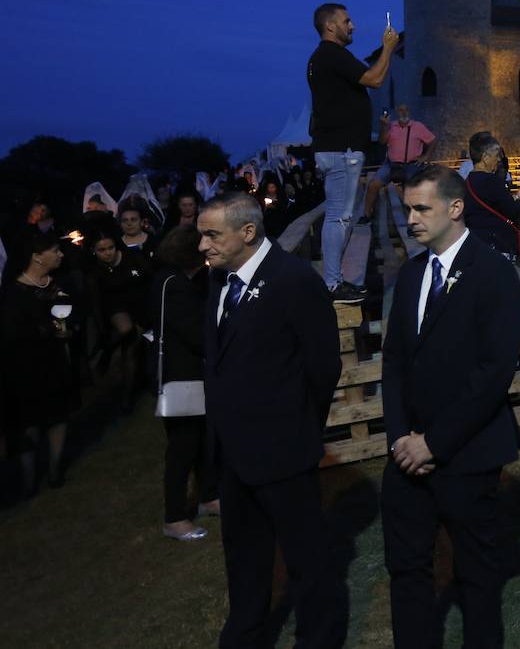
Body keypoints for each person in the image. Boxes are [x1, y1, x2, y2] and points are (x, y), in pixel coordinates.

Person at [381, 165, 520, 649]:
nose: (411, 219)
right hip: (405, 454)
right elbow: (395, 361)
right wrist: (399, 438)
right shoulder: (411, 273)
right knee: (406, 569)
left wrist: (434, 444)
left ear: (456, 207)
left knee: (477, 575)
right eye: (408, 209)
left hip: (468, 453)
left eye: (422, 208)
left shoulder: (493, 271)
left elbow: (494, 372)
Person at [198, 192, 345, 647]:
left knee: (306, 558)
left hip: (284, 450)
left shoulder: (294, 280)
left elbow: (323, 366)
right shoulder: (219, 279)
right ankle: (244, 636)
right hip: (232, 453)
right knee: (243, 556)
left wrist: (298, 428)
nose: (202, 245)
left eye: (211, 235)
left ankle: (318, 638)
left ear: (248, 232)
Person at [307, 1, 399, 302]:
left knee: (340, 215)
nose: (352, 26)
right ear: (330, 26)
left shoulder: (322, 58)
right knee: (339, 217)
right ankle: (333, 284)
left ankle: (335, 280)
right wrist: (388, 48)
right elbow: (374, 79)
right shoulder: (332, 54)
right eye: (346, 21)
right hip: (340, 150)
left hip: (336, 148)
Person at [150, 225, 218, 542]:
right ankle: (175, 517)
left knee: (202, 440)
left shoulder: (176, 280)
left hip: (190, 373)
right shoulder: (173, 285)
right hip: (181, 375)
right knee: (183, 446)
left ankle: (209, 496)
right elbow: (195, 332)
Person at [1, 231, 81, 496]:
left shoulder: (60, 284)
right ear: (37, 257)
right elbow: (12, 333)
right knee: (29, 422)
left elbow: (77, 312)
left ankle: (55, 470)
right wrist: (46, 330)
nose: (60, 254)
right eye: (54, 250)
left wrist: (71, 329)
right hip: (25, 367)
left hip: (56, 361)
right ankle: (28, 479)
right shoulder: (13, 293)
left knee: (59, 414)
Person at [87, 226, 151, 408]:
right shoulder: (95, 272)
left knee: (130, 352)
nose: (107, 253)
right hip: (115, 310)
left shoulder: (133, 259)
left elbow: (150, 280)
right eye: (101, 250)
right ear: (93, 251)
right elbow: (97, 303)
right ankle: (125, 397)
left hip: (141, 308)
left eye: (110, 248)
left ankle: (127, 397)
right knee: (127, 335)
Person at [362, 104, 436, 224]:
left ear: (409, 112)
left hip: (411, 165)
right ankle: (366, 214)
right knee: (373, 185)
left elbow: (432, 140)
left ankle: (415, 221)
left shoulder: (418, 126)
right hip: (391, 164)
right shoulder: (391, 126)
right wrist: (383, 126)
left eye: (406, 110)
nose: (404, 112)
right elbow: (382, 141)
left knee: (411, 193)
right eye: (401, 110)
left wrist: (425, 156)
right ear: (397, 112)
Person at [465, 133, 520, 261]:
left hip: (476, 243)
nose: (499, 160)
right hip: (498, 243)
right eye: (496, 155)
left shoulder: (468, 180)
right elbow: (511, 211)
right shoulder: (492, 181)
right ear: (485, 157)